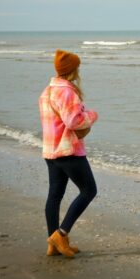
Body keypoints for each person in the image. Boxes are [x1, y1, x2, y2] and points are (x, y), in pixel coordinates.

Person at [39, 49, 99, 258]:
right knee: (89, 190)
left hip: (51, 150)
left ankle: (53, 243)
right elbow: (74, 121)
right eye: (77, 67)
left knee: (54, 195)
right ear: (73, 69)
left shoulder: (47, 91)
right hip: (69, 150)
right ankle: (60, 234)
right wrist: (92, 115)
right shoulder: (67, 92)